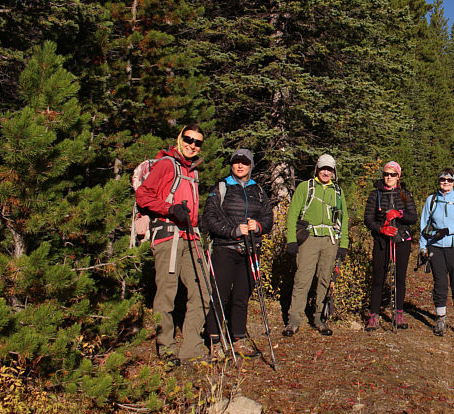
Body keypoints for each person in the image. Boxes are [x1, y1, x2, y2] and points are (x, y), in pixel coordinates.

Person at [135, 123, 210, 366]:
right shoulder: (167, 164)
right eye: (188, 139)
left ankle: (192, 347)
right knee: (167, 294)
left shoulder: (193, 171)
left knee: (203, 290)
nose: (192, 145)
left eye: (197, 142)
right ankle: (166, 348)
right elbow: (144, 194)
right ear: (180, 138)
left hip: (192, 238)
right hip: (168, 237)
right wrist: (169, 209)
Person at [201, 148, 274, 359]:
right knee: (219, 296)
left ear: (251, 166)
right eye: (236, 162)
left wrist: (258, 226)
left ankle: (238, 338)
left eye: (245, 162)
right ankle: (215, 341)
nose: (240, 166)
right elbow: (210, 219)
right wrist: (234, 230)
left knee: (242, 296)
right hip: (225, 249)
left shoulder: (258, 190)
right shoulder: (221, 187)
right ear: (231, 165)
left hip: (251, 250)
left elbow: (268, 219)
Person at [283, 154, 348, 336]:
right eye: (323, 168)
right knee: (302, 279)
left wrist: (344, 244)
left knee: (324, 279)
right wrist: (291, 240)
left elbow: (344, 219)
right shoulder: (306, 187)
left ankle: (320, 318)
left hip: (330, 240)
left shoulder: (338, 191)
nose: (326, 172)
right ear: (317, 169)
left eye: (329, 169)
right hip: (309, 239)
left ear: (334, 172)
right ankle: (294, 320)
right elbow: (293, 214)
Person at [362, 161, 418, 331]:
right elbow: (368, 219)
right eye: (386, 174)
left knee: (400, 278)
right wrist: (381, 229)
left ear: (398, 176)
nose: (389, 177)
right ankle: (373, 316)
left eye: (393, 174)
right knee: (379, 277)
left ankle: (399, 313)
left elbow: (413, 217)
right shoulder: (375, 195)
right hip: (382, 241)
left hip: (402, 240)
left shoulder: (405, 195)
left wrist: (399, 214)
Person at [419, 168, 454, 338]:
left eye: (449, 180)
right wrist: (423, 248)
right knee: (440, 284)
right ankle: (440, 319)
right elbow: (424, 226)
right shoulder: (432, 200)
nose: (446, 183)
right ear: (439, 181)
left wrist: (448, 230)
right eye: (443, 179)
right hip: (436, 247)